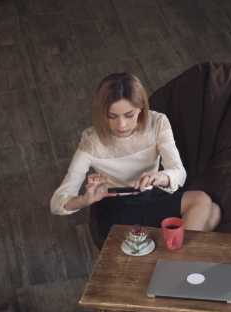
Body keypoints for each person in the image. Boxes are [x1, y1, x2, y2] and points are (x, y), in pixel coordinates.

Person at [51, 73, 221, 236]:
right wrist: (84, 200)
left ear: (140, 108)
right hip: (116, 210)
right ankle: (174, 262)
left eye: (129, 115)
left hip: (148, 199)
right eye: (112, 116)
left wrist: (159, 177)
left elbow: (179, 173)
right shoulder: (91, 145)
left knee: (214, 212)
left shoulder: (157, 123)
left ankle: (165, 257)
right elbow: (57, 202)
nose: (121, 124)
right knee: (200, 200)